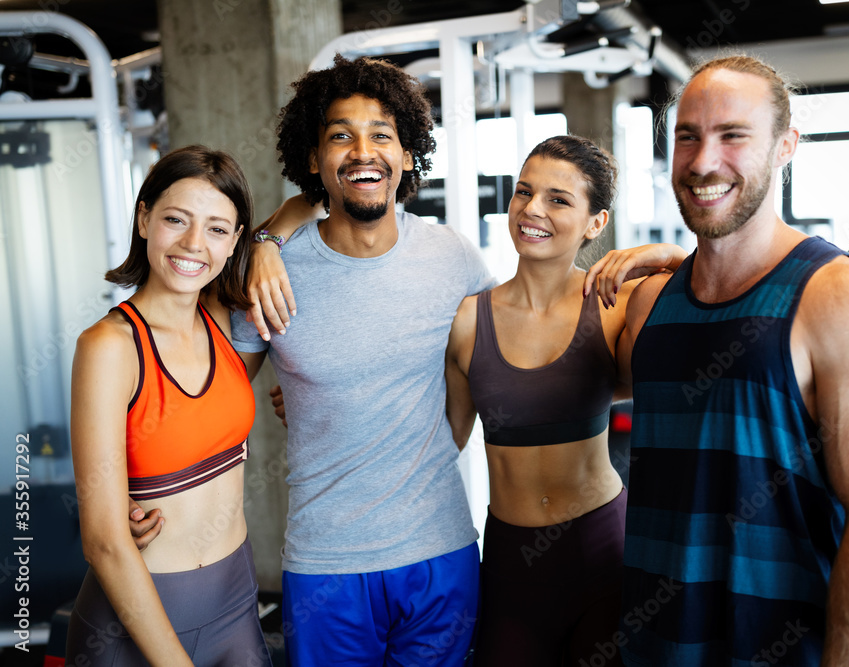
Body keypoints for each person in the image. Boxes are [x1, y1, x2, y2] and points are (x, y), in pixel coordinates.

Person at [584, 55, 849, 665]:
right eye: (687, 136)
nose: (704, 160)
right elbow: (560, 391)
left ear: (785, 146)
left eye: (732, 135)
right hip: (653, 645)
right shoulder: (651, 304)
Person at [227, 55, 493, 665]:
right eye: (340, 135)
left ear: (405, 154)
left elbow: (483, 371)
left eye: (381, 134)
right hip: (327, 567)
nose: (363, 150)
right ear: (314, 161)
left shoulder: (453, 257)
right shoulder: (273, 274)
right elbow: (218, 406)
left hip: (441, 554)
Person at [444, 135, 684, 666]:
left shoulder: (616, 305)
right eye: (524, 192)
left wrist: (668, 255)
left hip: (603, 551)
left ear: (596, 223)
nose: (532, 209)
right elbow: (441, 440)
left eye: (558, 199)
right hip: (512, 561)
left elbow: (716, 304)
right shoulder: (468, 320)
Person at [66, 146, 271, 666]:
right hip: (134, 626)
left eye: (217, 229)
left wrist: (267, 241)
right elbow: (105, 542)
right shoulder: (109, 347)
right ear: (143, 219)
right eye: (175, 219)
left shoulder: (226, 319)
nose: (193, 244)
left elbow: (311, 206)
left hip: (236, 605)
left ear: (235, 241)